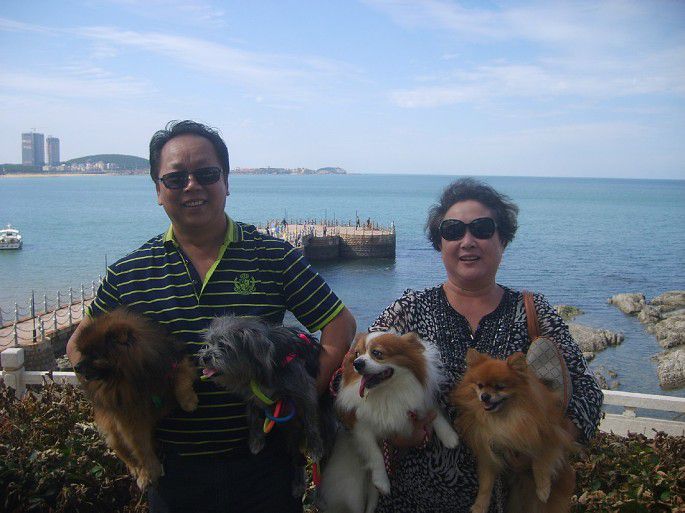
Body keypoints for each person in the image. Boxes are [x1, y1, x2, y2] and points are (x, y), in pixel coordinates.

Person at [66, 120, 356, 513]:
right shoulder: (128, 274)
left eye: (206, 174)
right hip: (175, 474)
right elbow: (78, 348)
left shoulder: (273, 256)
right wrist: (129, 402)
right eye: (175, 178)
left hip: (265, 464)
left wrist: (296, 399)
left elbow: (340, 326)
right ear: (158, 191)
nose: (192, 186)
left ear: (226, 182)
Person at [367, 178, 603, 512]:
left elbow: (587, 392)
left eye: (481, 229)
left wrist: (542, 442)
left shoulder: (531, 311)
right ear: (440, 243)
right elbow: (347, 379)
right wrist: (392, 430)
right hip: (410, 501)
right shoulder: (409, 311)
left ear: (502, 239)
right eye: (453, 231)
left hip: (508, 502)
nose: (467, 241)